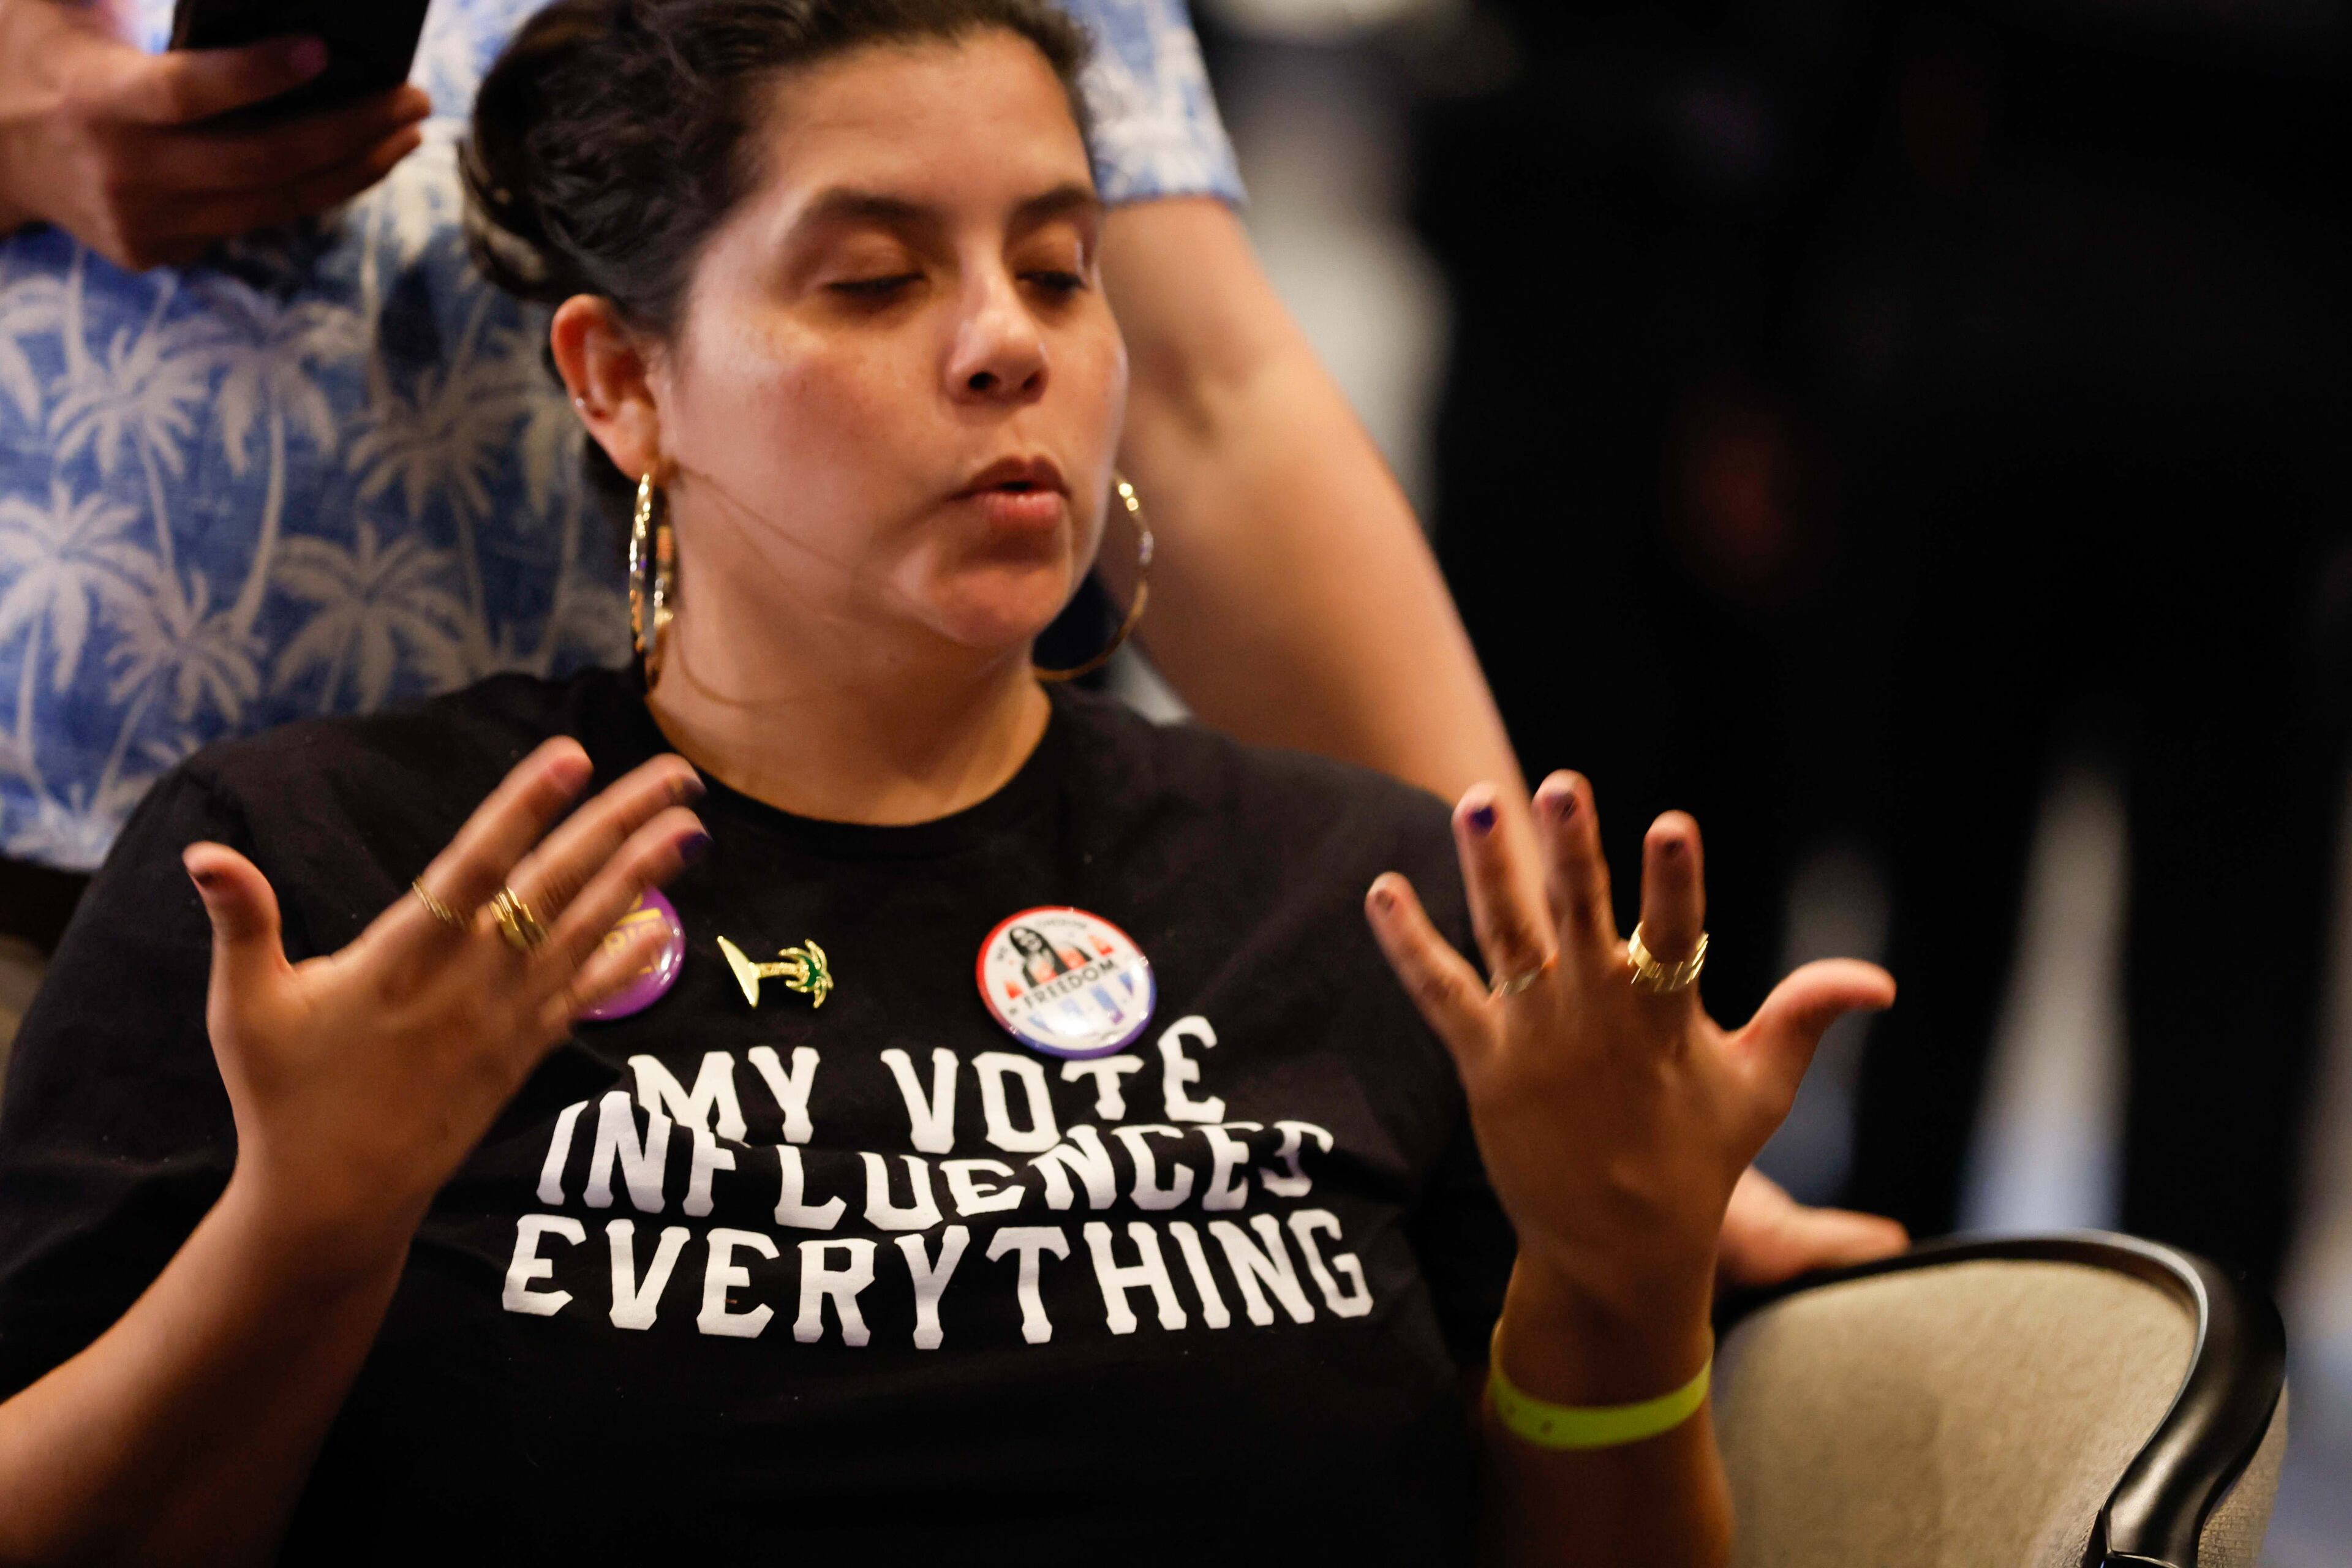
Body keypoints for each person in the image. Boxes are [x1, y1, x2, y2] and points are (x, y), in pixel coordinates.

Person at [0, 2, 1896, 1557]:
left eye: (1063, 271)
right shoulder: (315, 890)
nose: (1007, 348)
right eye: (876, 281)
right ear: (622, 381)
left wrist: (1620, 1279)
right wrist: (298, 1242)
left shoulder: (1344, 908)